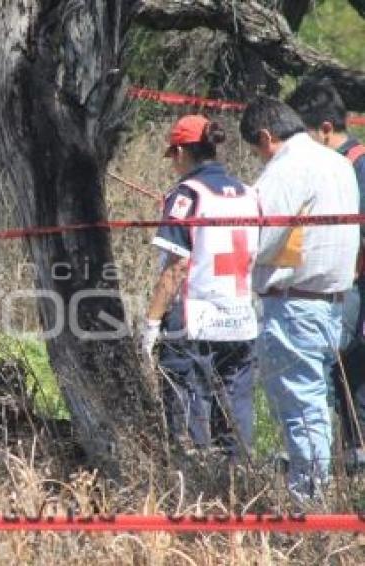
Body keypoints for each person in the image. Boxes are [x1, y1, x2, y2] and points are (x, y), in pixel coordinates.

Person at [240, 96, 359, 502]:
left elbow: (259, 234)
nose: (259, 159)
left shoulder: (287, 168)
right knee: (313, 401)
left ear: (265, 137)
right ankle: (320, 490)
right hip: (332, 302)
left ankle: (309, 501)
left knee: (299, 405)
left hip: (294, 302)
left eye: (258, 151)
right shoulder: (338, 163)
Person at [142, 115, 259, 459]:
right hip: (241, 321)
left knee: (190, 420)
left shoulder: (185, 195)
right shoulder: (249, 193)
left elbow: (176, 268)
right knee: (236, 421)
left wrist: (151, 324)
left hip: (196, 324)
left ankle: (197, 497)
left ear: (180, 152)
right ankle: (238, 493)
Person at [286, 80, 365, 464]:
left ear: (326, 130)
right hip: (339, 289)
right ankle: (342, 462)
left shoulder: (355, 167)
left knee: (341, 375)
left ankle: (346, 466)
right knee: (340, 379)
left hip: (352, 291)